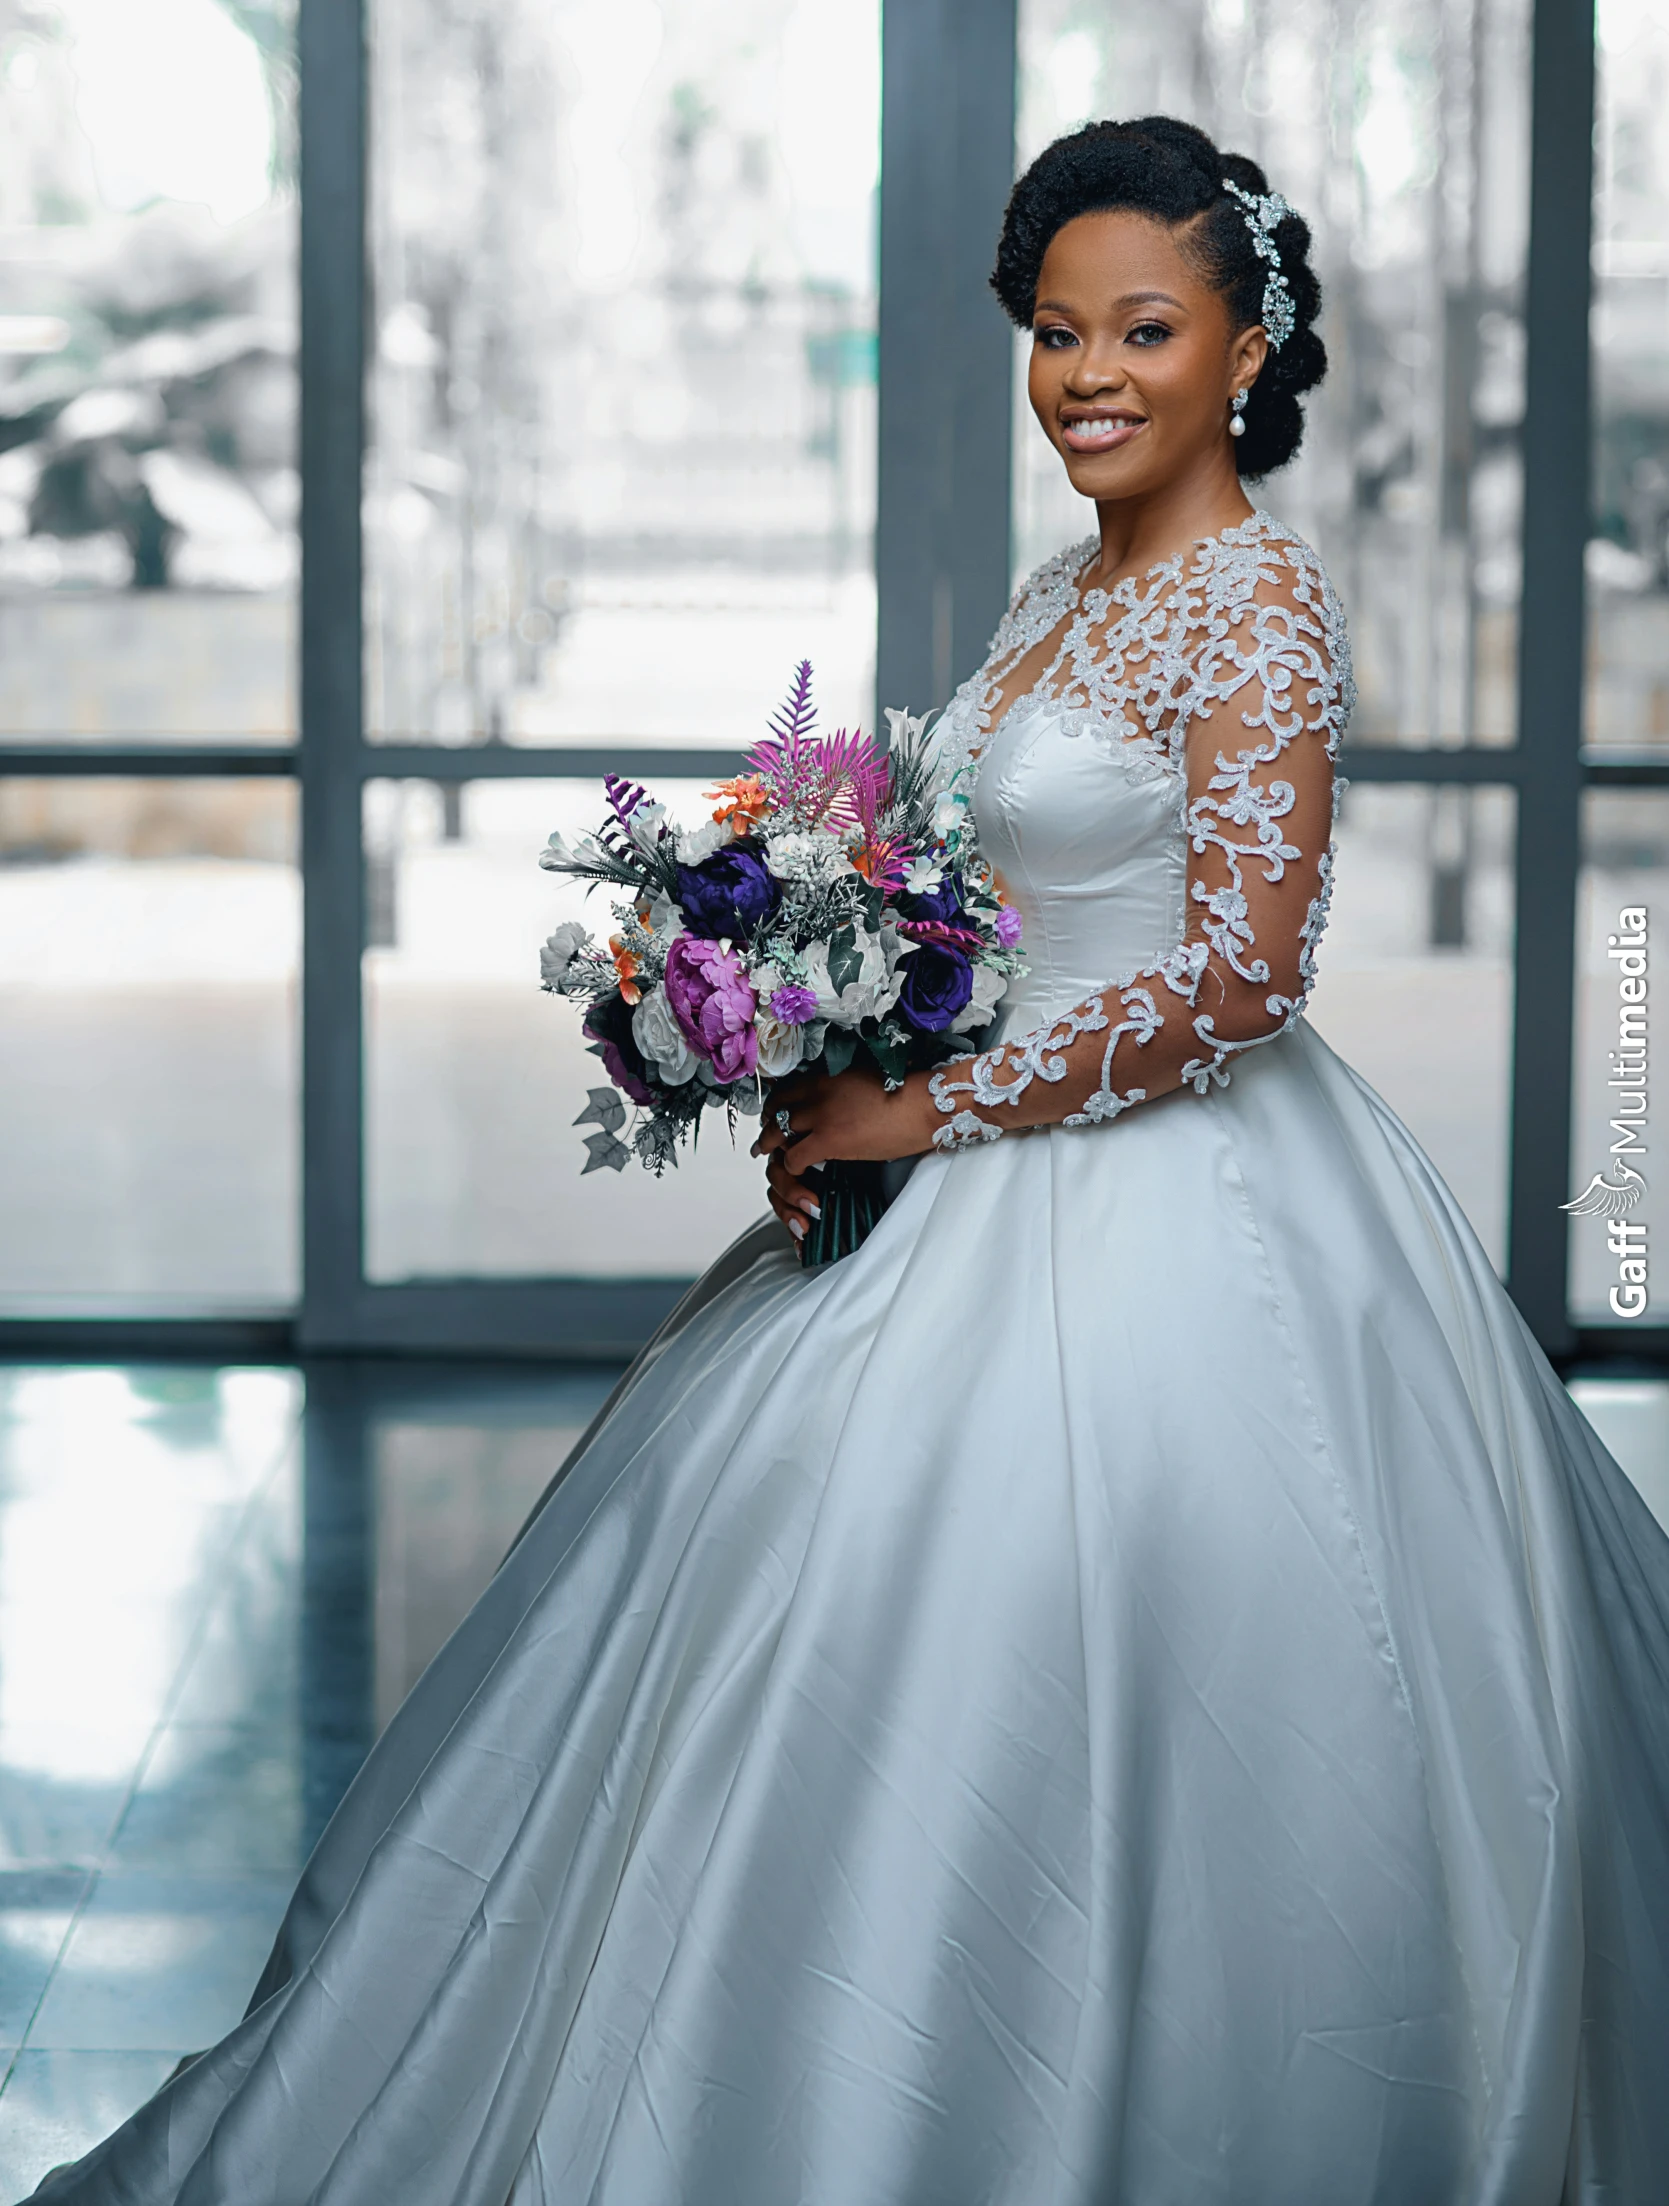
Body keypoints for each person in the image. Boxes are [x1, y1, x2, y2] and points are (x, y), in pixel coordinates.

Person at [29, 114, 1669, 2206]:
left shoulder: (1257, 603)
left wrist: (925, 1100)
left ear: (1247, 346)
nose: (1088, 374)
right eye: (1054, 331)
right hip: (979, 1139)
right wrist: (838, 1033)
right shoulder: (1070, 581)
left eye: (1144, 330)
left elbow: (1247, 974)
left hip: (1208, 1200)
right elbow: (991, 887)